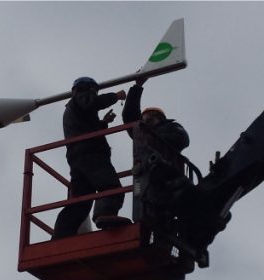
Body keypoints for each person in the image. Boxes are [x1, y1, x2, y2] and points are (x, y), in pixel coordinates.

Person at [52, 76, 135, 239]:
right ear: (88, 89)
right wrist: (115, 96)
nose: (94, 94)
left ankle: (60, 236)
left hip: (78, 156)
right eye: (94, 91)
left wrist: (103, 122)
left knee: (80, 202)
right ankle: (105, 214)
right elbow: (92, 103)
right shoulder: (81, 98)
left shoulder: (73, 108)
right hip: (90, 153)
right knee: (111, 187)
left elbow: (85, 129)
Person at [121, 79, 190, 229]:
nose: (148, 117)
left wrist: (155, 139)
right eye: (146, 115)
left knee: (164, 213)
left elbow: (183, 139)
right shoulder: (141, 132)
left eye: (153, 115)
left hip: (168, 175)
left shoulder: (171, 127)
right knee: (146, 210)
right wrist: (137, 87)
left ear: (160, 118)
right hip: (146, 177)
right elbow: (129, 116)